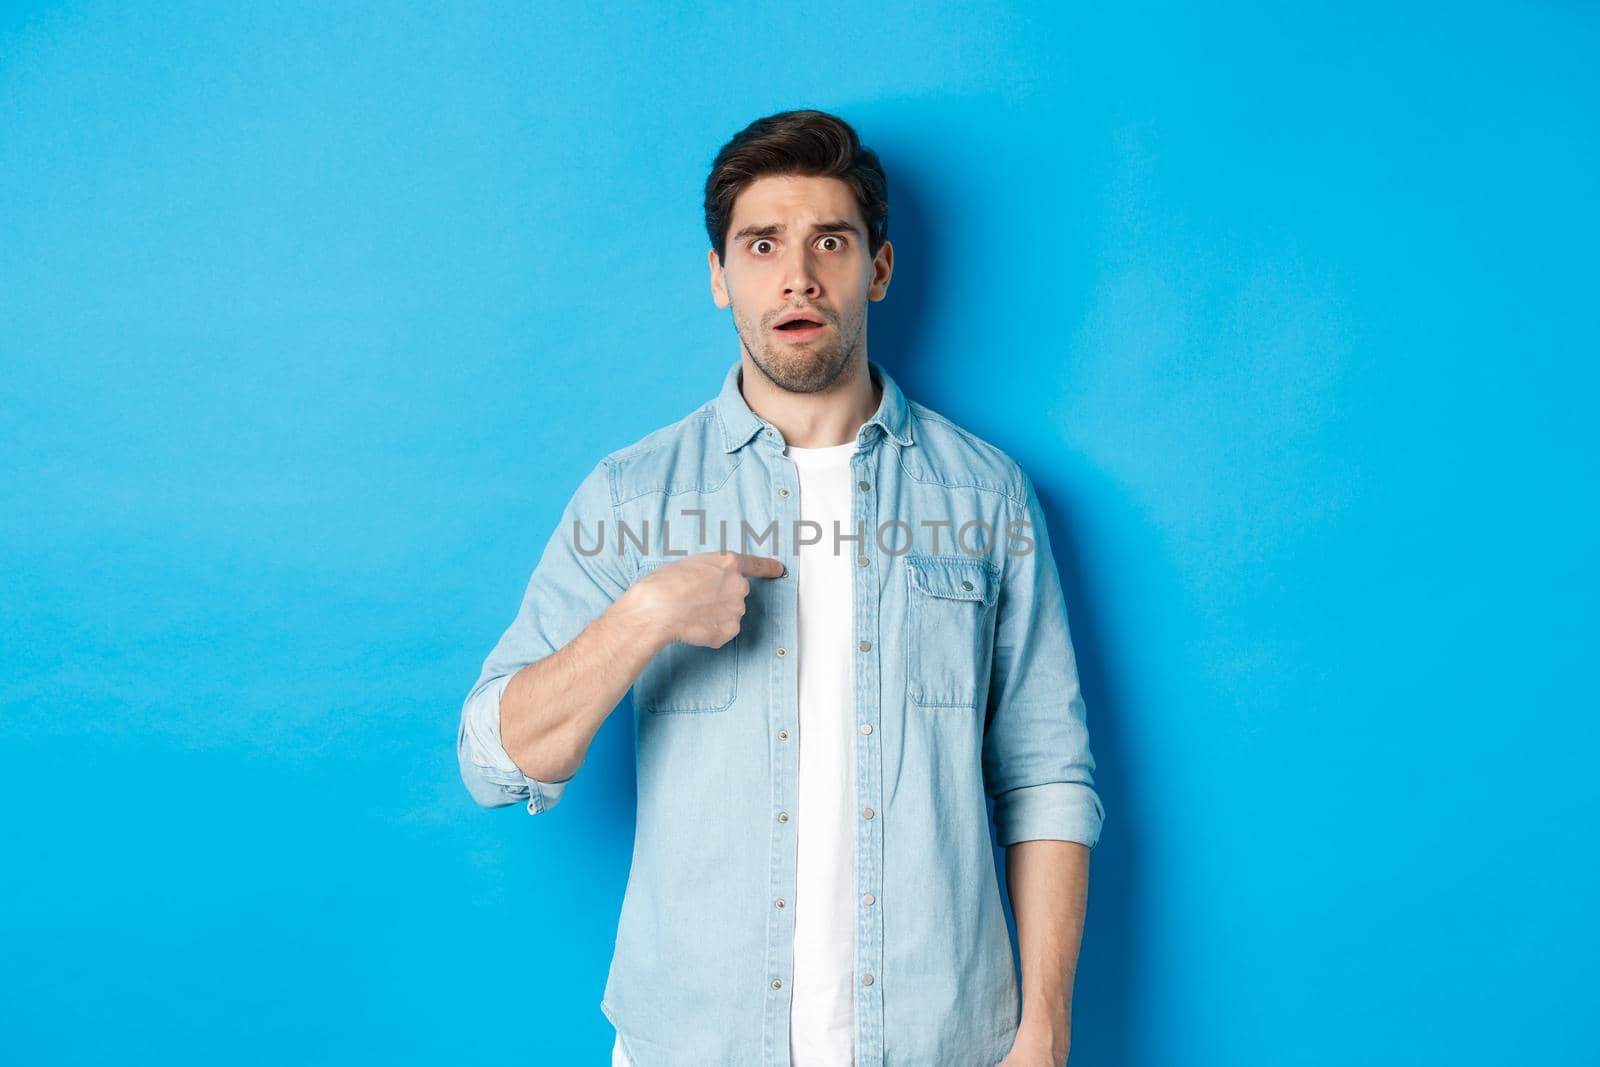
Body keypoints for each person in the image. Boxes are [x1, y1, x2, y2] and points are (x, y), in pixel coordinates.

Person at [456, 109, 1104, 1067]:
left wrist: (1043, 1032)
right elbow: (490, 758)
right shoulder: (634, 497)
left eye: (829, 242)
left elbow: (1048, 775)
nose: (797, 275)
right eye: (762, 245)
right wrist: (645, 616)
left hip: (940, 1042)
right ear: (720, 277)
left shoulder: (986, 495)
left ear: (877, 269)